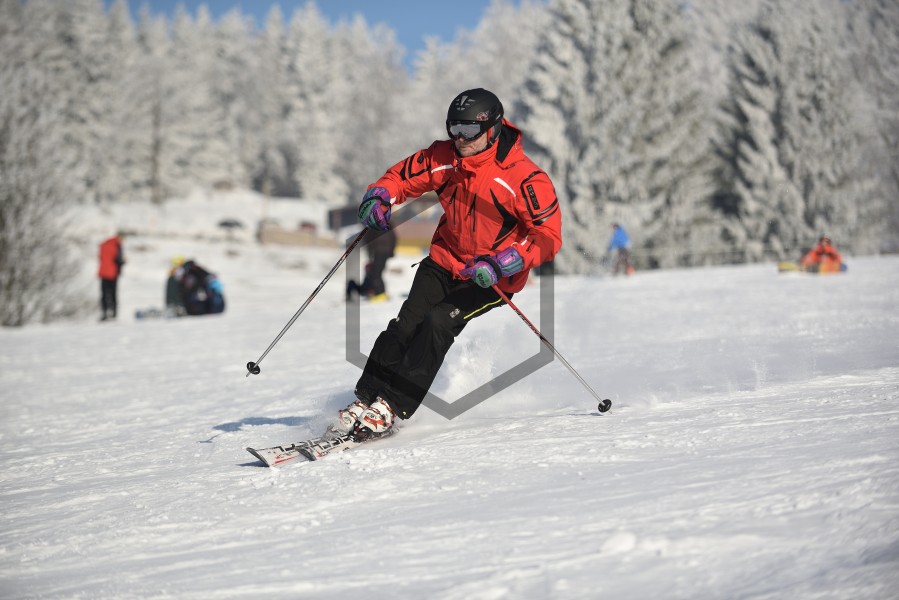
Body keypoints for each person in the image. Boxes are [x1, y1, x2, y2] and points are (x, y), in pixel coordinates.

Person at [332, 88, 562, 441]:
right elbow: (402, 177)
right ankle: (365, 399)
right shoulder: (446, 157)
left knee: (438, 322)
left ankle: (392, 406)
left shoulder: (525, 178)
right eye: (454, 128)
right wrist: (380, 195)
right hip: (445, 260)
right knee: (406, 324)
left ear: (492, 129)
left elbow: (547, 236)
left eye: (469, 130)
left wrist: (504, 262)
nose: (460, 138)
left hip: (491, 277)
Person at [346, 227, 398, 302]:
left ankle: (380, 294)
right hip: (379, 252)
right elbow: (369, 239)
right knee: (376, 274)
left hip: (380, 252)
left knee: (376, 274)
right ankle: (380, 294)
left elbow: (369, 239)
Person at [97, 233, 125, 321]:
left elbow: (100, 257)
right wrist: (123, 262)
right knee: (113, 293)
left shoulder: (103, 245)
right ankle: (114, 313)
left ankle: (104, 313)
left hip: (103, 272)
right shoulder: (117, 245)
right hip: (113, 273)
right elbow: (118, 260)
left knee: (104, 294)